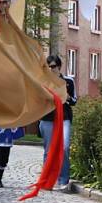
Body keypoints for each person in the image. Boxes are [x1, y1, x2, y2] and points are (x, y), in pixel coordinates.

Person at [38, 55, 77, 191]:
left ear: (59, 67)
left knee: (65, 147)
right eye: (48, 66)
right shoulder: (43, 82)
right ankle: (46, 180)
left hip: (64, 118)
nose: (50, 69)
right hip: (47, 118)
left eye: (53, 66)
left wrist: (66, 97)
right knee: (49, 151)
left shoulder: (68, 81)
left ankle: (63, 181)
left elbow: (74, 101)